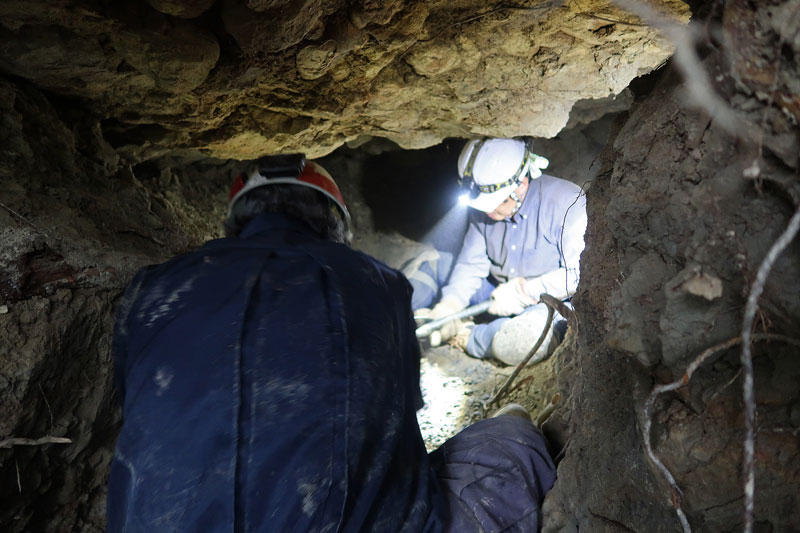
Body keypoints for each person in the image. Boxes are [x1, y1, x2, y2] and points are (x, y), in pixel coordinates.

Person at [107, 154, 556, 532]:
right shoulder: (373, 282)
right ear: (336, 224)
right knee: (512, 438)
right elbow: (400, 430)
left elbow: (137, 405)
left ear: (236, 223)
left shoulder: (153, 289)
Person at [416, 138, 587, 366]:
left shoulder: (568, 203)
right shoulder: (486, 210)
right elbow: (471, 265)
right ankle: (409, 320)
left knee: (523, 341)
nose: (488, 212)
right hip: (497, 292)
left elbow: (579, 274)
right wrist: (450, 304)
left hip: (548, 303)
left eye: (495, 204)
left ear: (522, 185)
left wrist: (524, 292)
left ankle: (466, 335)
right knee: (433, 265)